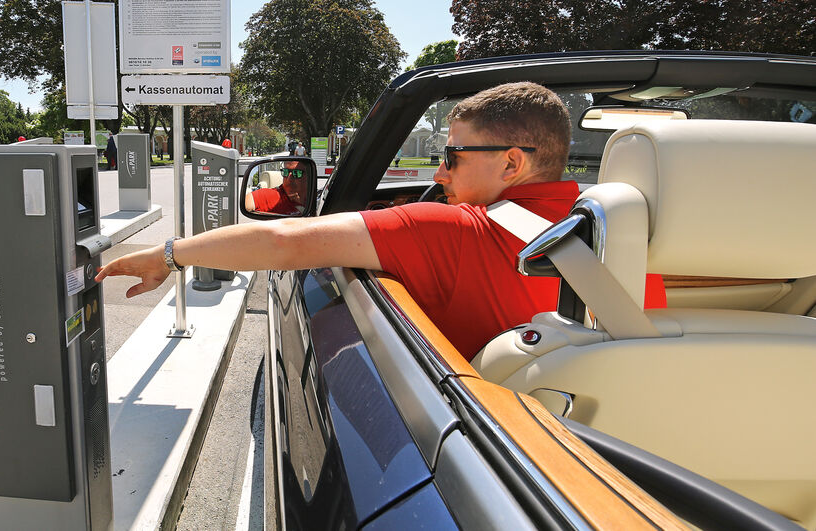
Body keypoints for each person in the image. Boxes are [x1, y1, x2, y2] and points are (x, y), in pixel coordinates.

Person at [96, 82, 665, 359]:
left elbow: (282, 240)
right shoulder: (635, 242)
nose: (439, 174)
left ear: (512, 163)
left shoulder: (452, 230)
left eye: (452, 157)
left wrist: (168, 255)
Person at [244, 160, 309, 215]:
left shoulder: (313, 198)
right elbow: (245, 206)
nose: (289, 178)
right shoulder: (268, 195)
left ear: (309, 177)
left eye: (297, 173)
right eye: (285, 172)